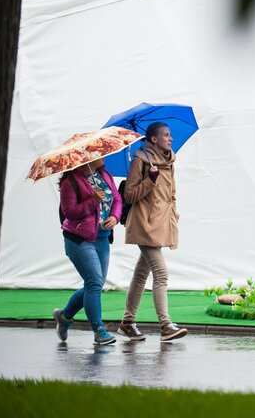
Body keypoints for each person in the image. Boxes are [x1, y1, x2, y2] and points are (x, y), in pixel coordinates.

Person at [118, 121, 188, 341]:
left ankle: (127, 323)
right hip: (144, 224)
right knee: (161, 273)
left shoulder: (169, 161)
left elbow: (171, 194)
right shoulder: (140, 160)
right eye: (166, 135)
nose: (171, 138)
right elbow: (129, 195)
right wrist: (150, 180)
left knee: (141, 275)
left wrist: (173, 213)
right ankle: (166, 325)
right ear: (154, 139)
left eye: (170, 135)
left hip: (161, 223)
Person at [53, 158, 121, 345]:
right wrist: (93, 201)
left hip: (102, 237)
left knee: (95, 284)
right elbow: (70, 213)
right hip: (79, 239)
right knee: (93, 283)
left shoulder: (105, 175)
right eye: (98, 153)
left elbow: (116, 198)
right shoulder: (70, 182)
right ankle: (99, 330)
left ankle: (64, 317)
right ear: (86, 158)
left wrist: (115, 216)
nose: (104, 156)